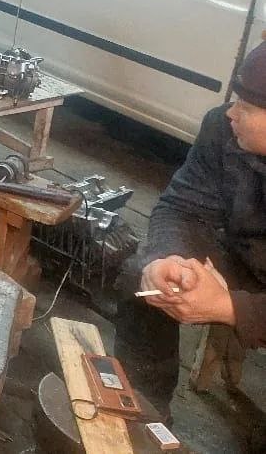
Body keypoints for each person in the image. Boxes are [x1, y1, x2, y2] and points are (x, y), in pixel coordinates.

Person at [114, 41, 266, 419]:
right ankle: (147, 416)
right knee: (142, 279)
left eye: (247, 107)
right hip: (246, 257)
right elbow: (182, 207)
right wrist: (170, 258)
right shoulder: (222, 129)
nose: (231, 112)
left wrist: (232, 308)